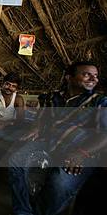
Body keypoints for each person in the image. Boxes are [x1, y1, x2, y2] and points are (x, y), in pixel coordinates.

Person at [9, 61, 107, 215]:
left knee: (60, 183)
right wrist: (36, 128)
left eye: (95, 76)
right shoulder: (53, 97)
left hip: (79, 151)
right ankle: (23, 211)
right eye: (86, 74)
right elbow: (42, 118)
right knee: (16, 161)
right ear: (69, 77)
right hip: (50, 143)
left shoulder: (99, 102)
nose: (93, 79)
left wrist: (82, 153)